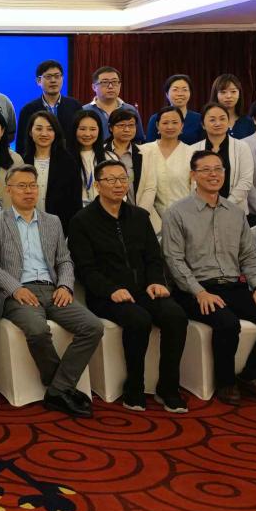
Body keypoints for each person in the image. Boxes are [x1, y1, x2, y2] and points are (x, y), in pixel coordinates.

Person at [162, 150, 256, 405]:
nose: (213, 174)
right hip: (194, 290)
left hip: (234, 286)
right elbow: (174, 260)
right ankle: (225, 383)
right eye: (206, 170)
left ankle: (253, 376)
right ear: (193, 175)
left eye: (218, 169)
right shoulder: (176, 213)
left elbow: (249, 255)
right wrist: (199, 292)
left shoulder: (235, 213)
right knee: (227, 323)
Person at [0, 165, 102, 418]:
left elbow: (64, 260)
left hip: (53, 290)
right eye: (22, 186)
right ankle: (62, 387)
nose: (28, 191)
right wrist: (15, 288)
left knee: (93, 326)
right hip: (18, 293)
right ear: (9, 190)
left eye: (32, 185)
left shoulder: (52, 221)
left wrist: (65, 285)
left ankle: (58, 389)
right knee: (37, 330)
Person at [70, 161, 187, 413]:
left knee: (176, 315)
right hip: (105, 295)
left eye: (122, 179)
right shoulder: (82, 221)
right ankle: (134, 386)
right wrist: (110, 290)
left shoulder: (140, 217)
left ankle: (168, 387)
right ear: (97, 185)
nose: (118, 184)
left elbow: (154, 258)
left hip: (145, 289)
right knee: (138, 319)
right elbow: (85, 269)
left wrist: (156, 281)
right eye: (110, 180)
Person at [135, 105, 194, 234]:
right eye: (165, 123)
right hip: (149, 221)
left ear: (182, 126)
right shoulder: (142, 151)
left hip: (184, 220)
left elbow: (195, 191)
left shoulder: (192, 153)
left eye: (175, 122)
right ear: (157, 125)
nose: (170, 127)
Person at [23, 110, 81, 229]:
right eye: (39, 129)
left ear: (55, 133)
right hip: (26, 225)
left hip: (60, 226)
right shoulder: (22, 161)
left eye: (50, 129)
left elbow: (75, 201)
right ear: (30, 132)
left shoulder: (68, 162)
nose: (44, 134)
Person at [16, 59, 82, 160]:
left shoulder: (75, 106)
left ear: (62, 79)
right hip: (37, 161)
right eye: (48, 77)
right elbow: (21, 144)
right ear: (39, 81)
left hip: (70, 161)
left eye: (57, 76)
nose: (53, 80)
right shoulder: (28, 110)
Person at [198, 103, 254, 213]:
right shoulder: (194, 149)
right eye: (212, 120)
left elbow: (246, 180)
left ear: (228, 122)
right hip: (201, 210)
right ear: (203, 125)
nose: (218, 123)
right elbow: (192, 182)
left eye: (222, 119)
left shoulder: (242, 147)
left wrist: (225, 205)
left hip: (235, 210)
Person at [83, 66, 140, 141]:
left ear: (120, 85)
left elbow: (139, 139)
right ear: (94, 87)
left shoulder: (130, 110)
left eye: (114, 82)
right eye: (105, 82)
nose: (110, 86)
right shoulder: (84, 111)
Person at [144, 74, 203, 143]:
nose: (180, 94)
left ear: (190, 93)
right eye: (175, 90)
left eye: (184, 90)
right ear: (167, 94)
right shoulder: (155, 118)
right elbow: (149, 145)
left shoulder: (199, 119)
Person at [102, 107, 144, 202]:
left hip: (136, 206)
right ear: (110, 127)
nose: (127, 129)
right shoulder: (101, 152)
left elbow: (149, 187)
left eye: (131, 125)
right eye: (121, 125)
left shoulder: (143, 152)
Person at [70, 109, 105, 211]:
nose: (87, 134)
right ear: (75, 130)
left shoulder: (109, 157)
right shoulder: (66, 158)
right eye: (82, 129)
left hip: (103, 211)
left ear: (99, 130)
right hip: (75, 212)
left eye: (93, 129)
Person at [211, 73, 256, 139]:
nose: (229, 96)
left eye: (233, 91)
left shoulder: (248, 122)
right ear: (216, 94)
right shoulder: (208, 122)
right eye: (223, 92)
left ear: (239, 94)